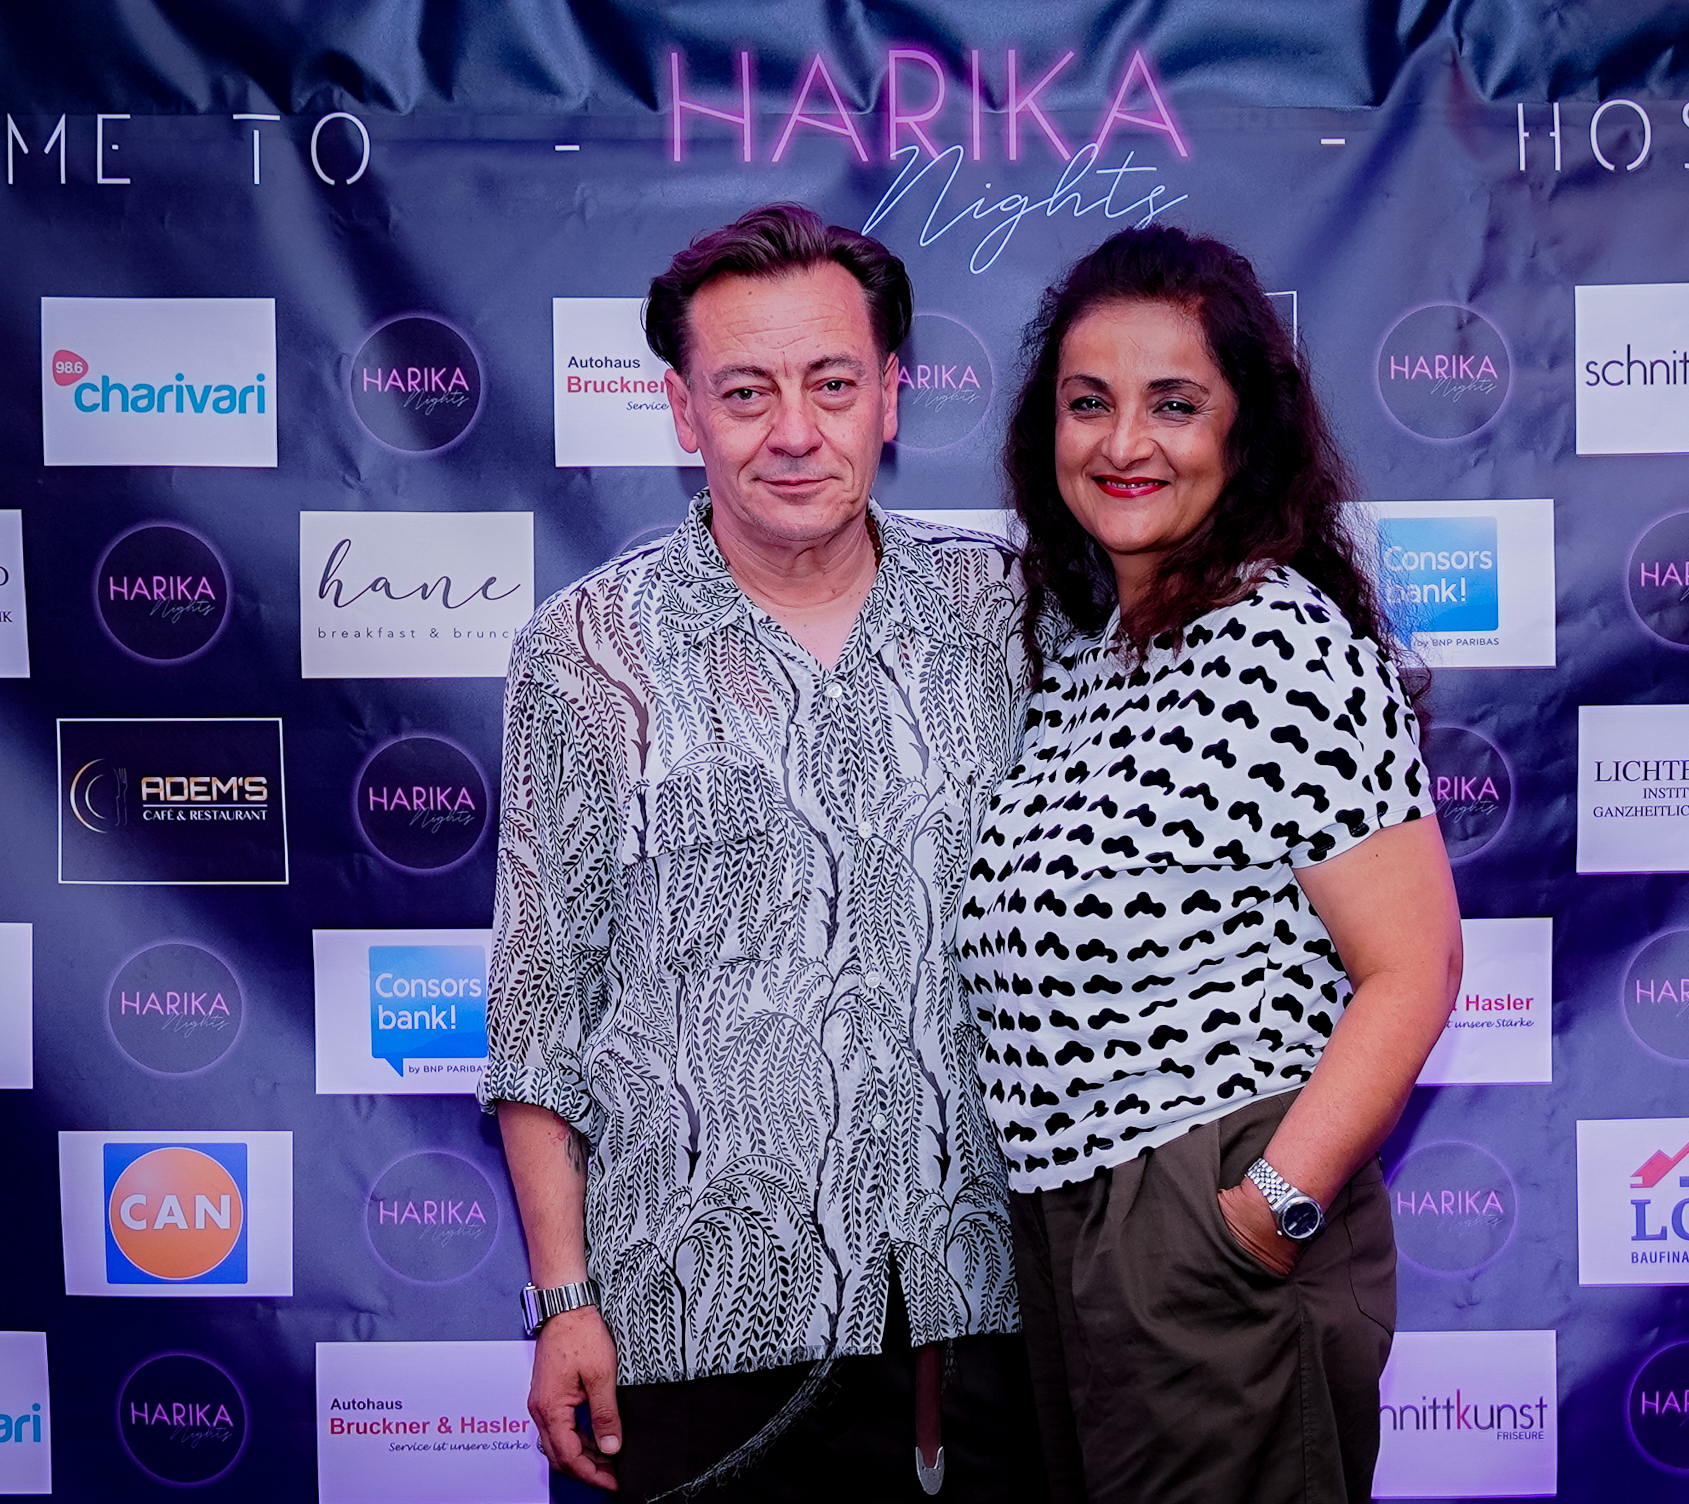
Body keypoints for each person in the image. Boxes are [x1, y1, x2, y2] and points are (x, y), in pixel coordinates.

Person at [481, 204, 1043, 1501]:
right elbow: (538, 1014)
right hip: (689, 1336)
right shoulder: (583, 653)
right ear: (683, 411)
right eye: (746, 392)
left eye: (832, 384)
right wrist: (562, 1298)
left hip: (982, 1322)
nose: (794, 431)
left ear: (890, 394)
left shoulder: (1012, 615)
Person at [956, 225, 1463, 1503]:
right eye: (1088, 402)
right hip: (1066, 1230)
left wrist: (1264, 1213)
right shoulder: (1081, 661)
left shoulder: (1282, 643)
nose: (1123, 442)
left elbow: (1413, 967)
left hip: (1208, 1213)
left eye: (1173, 404)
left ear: (1245, 431)